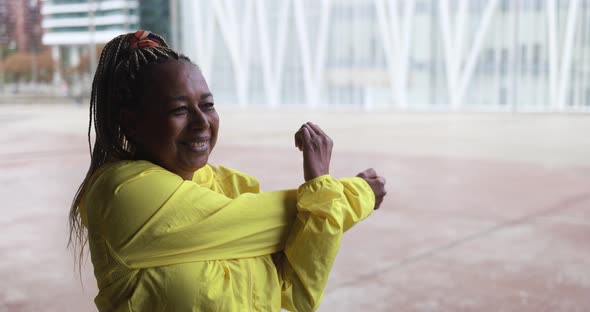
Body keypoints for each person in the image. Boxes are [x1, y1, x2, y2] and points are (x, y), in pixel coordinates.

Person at [69, 30, 387, 311]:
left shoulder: (223, 184)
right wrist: (355, 192)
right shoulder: (122, 195)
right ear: (132, 123)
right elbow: (292, 218)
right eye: (179, 109)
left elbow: (294, 290)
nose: (201, 122)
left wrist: (329, 197)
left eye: (207, 105)